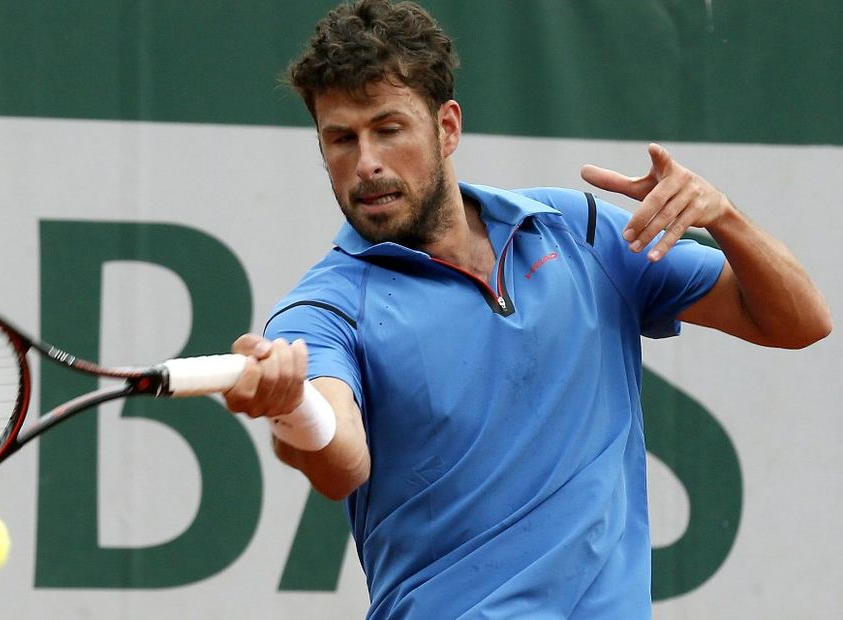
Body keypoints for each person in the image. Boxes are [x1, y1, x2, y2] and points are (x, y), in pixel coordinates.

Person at [222, 0, 832, 617]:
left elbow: (801, 322)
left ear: (447, 127)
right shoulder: (322, 310)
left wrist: (724, 217)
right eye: (340, 139)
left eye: (388, 129)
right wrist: (293, 408)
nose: (367, 163)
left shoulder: (577, 230)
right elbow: (340, 462)